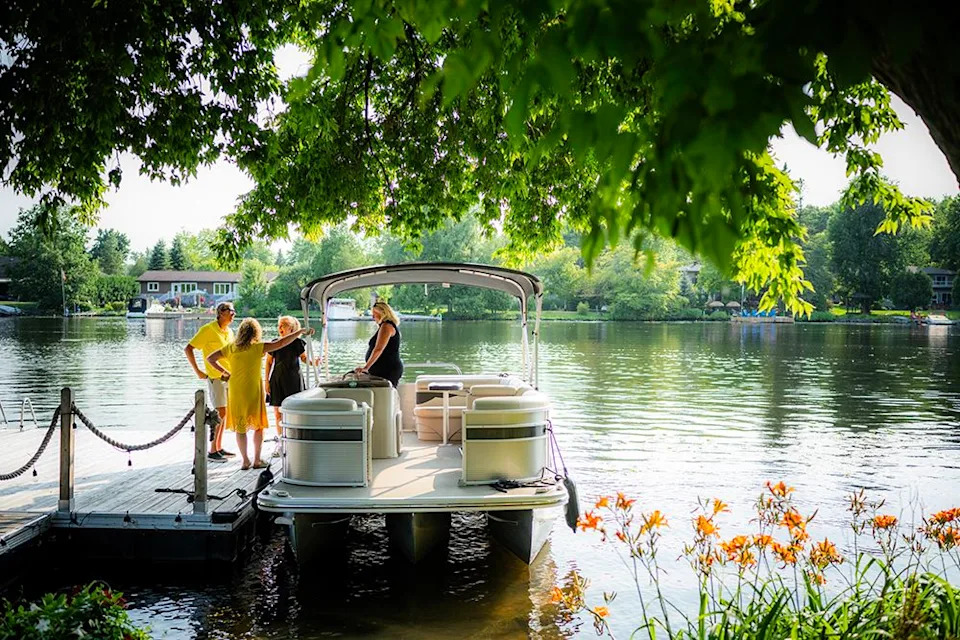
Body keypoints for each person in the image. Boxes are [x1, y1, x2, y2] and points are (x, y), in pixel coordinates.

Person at [206, 318, 314, 470]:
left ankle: (245, 461)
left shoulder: (231, 347)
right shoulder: (258, 347)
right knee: (258, 427)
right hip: (253, 390)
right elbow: (282, 343)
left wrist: (225, 373)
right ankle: (256, 460)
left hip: (236, 390)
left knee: (240, 427)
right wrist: (300, 332)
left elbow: (210, 358)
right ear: (256, 332)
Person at [184, 302, 236, 463]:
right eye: (230, 311)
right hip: (216, 377)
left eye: (234, 310)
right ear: (220, 313)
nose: (233, 313)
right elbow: (188, 348)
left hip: (230, 378)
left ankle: (218, 447)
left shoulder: (230, 331)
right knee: (220, 413)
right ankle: (212, 451)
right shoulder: (208, 330)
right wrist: (198, 371)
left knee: (225, 414)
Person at [265, 316, 318, 451]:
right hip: (277, 380)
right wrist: (266, 381)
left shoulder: (297, 343)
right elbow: (269, 362)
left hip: (294, 379)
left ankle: (294, 438)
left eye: (284, 325)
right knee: (277, 412)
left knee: (294, 411)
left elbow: (304, 358)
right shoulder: (274, 343)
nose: (280, 328)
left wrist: (314, 362)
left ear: (292, 328)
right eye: (279, 325)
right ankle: (281, 439)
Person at [354, 300, 403, 387]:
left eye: (375, 313)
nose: (373, 316)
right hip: (382, 370)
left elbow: (378, 349)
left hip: (387, 370)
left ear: (382, 313)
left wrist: (366, 368)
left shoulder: (386, 326)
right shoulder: (385, 326)